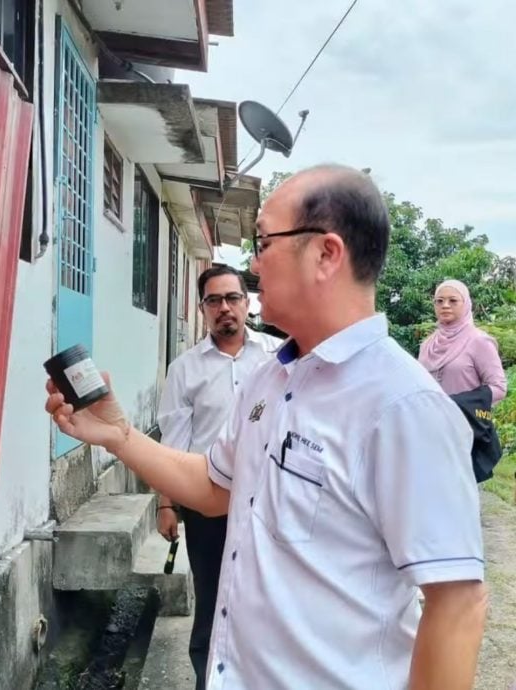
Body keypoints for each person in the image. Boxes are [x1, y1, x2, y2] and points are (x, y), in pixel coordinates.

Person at [46, 164, 487, 690]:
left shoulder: (404, 405)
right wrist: (117, 434)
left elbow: (456, 602)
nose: (253, 266)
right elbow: (214, 487)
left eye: (263, 242)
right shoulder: (271, 379)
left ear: (326, 254)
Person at [156, 264, 280, 690]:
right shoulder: (185, 369)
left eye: (233, 298)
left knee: (267, 598)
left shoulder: (278, 357)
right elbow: (173, 447)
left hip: (270, 502)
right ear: (203, 308)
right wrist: (167, 503)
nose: (225, 308)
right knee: (212, 598)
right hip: (206, 501)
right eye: (214, 300)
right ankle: (208, 680)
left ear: (247, 304)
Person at [418, 279, 507, 403]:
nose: (445, 305)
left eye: (453, 300)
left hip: (465, 419)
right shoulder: (427, 345)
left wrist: (461, 402)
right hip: (430, 419)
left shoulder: (479, 341)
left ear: (466, 304)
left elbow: (499, 388)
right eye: (439, 301)